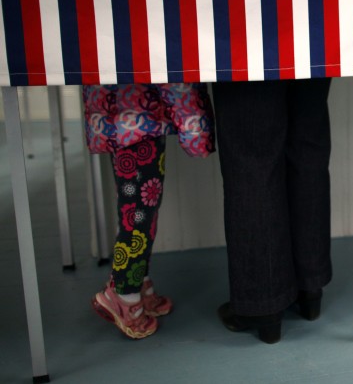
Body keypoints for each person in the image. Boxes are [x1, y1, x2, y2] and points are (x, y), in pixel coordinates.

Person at [85, 83, 215, 339]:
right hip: (139, 109)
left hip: (122, 105)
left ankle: (138, 280)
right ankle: (124, 292)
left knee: (139, 206)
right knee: (140, 211)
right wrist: (194, 129)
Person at [212, 78, 332, 344]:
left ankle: (263, 305)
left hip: (246, 39)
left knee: (252, 155)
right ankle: (309, 287)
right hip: (317, 36)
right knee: (307, 146)